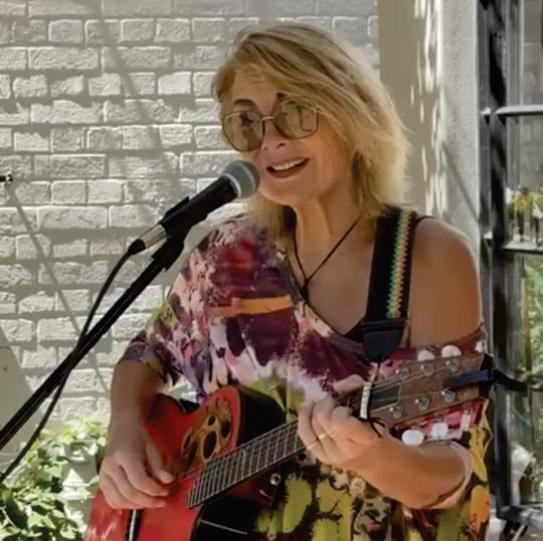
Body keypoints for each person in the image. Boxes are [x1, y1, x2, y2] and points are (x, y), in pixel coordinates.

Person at [98, 23, 491, 540]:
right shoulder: (226, 255)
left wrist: (371, 455)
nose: (271, 140)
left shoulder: (426, 257)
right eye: (247, 122)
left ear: (353, 115)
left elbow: (454, 471)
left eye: (296, 111)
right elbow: (148, 352)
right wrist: (124, 427)